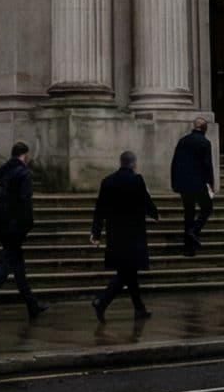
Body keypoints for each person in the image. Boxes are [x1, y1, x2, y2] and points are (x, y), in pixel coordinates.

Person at [0, 141, 46, 321]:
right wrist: (27, 225)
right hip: (15, 227)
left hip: (1, 225)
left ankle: (32, 305)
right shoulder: (23, 174)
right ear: (25, 155)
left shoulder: (1, 171)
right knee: (5, 266)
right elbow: (25, 202)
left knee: (18, 267)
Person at [89, 150, 160, 318]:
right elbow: (145, 201)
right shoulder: (137, 180)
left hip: (115, 234)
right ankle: (102, 300)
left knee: (129, 271)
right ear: (133, 164)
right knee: (127, 272)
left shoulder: (107, 181)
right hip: (134, 234)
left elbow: (100, 209)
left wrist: (96, 233)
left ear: (121, 163)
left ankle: (139, 308)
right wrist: (155, 213)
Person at [169, 118, 216, 255]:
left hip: (184, 184)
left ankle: (188, 249)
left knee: (189, 213)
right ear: (205, 128)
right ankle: (194, 230)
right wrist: (211, 183)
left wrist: (174, 182)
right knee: (207, 208)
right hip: (198, 184)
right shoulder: (205, 143)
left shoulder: (183, 141)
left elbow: (175, 162)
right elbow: (207, 165)